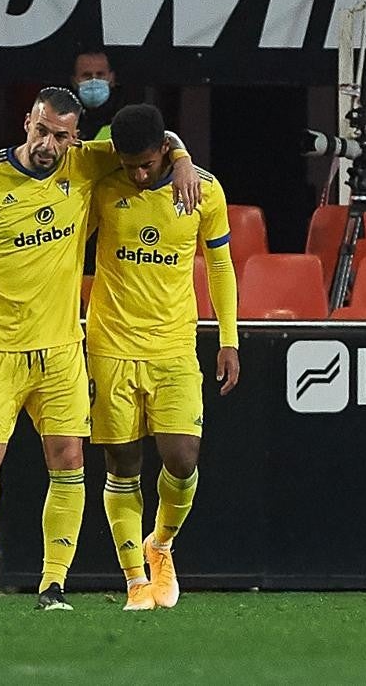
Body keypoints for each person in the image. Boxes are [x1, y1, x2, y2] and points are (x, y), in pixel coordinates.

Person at [0, 87, 198, 611]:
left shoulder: (86, 165)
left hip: (62, 348)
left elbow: (149, 135)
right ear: (27, 122)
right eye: (41, 131)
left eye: (61, 136)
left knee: (69, 461)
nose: (48, 144)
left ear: (76, 138)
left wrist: (180, 159)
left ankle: (52, 586)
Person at [87, 104, 238, 611]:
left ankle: (162, 544)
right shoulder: (105, 184)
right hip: (111, 343)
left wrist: (229, 338)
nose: (137, 173)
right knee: (122, 462)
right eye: (130, 164)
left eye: (147, 163)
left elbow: (220, 265)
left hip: (174, 345)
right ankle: (134, 581)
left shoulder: (202, 190)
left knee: (182, 456)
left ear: (162, 153)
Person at [70, 48, 122, 141]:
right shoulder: (62, 119)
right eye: (87, 75)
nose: (94, 80)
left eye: (100, 75)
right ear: (74, 81)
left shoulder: (124, 119)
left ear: (112, 78)